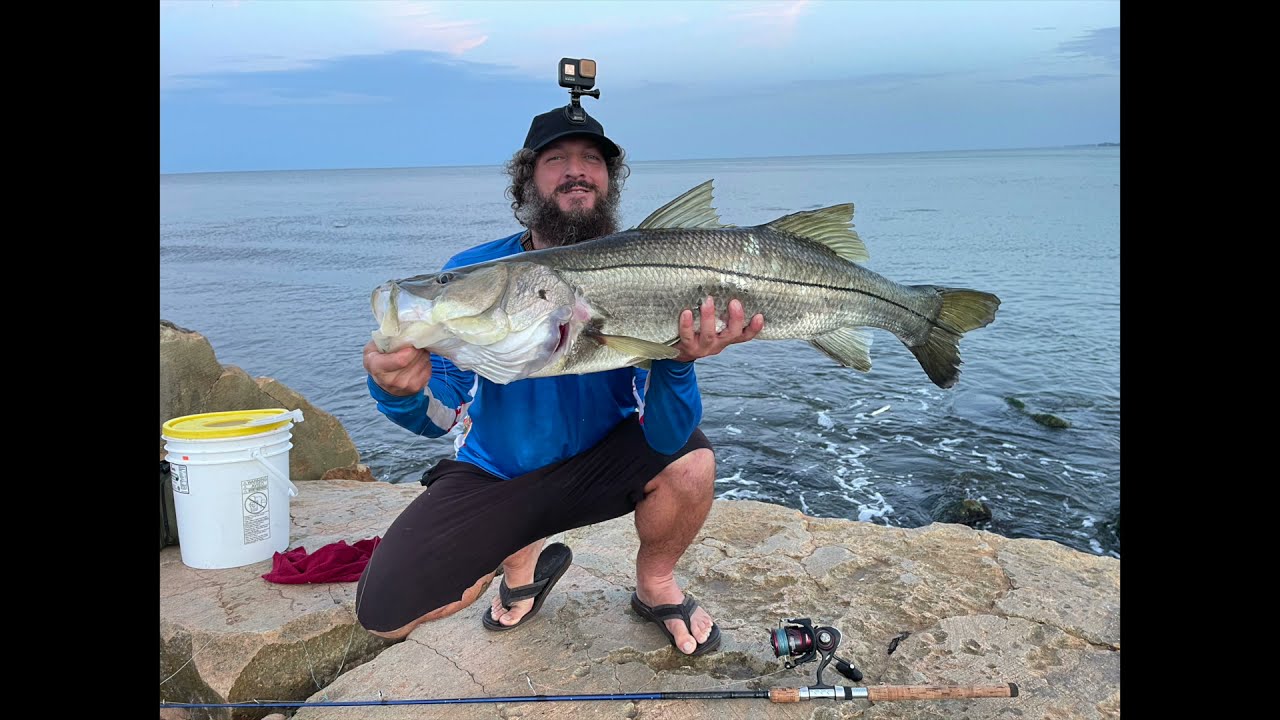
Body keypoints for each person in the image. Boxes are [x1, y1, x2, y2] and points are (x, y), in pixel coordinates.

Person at [356, 104, 764, 657]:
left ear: (609, 180)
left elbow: (666, 437)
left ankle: (656, 584)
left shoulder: (650, 268)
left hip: (602, 464)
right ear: (527, 180)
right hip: (498, 473)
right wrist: (397, 392)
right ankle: (524, 560)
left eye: (592, 160)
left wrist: (675, 360)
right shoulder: (480, 272)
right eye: (557, 159)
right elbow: (443, 416)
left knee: (691, 462)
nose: (577, 171)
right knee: (386, 615)